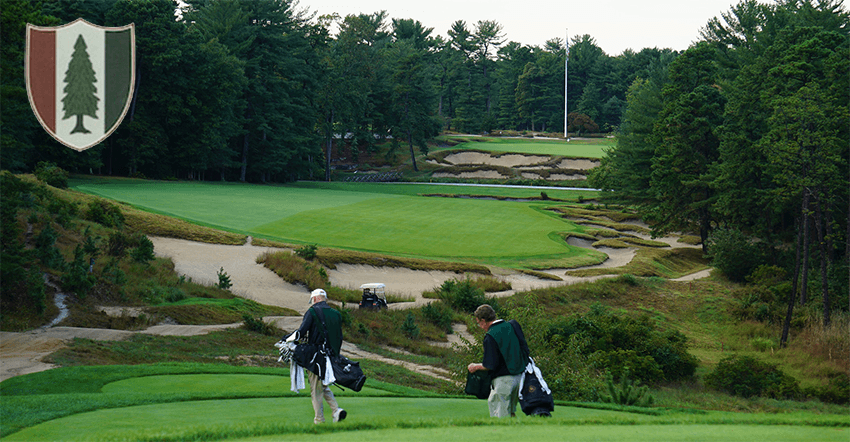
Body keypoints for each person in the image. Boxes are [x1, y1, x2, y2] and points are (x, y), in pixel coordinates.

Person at [283, 289, 347, 424]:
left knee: (315, 389)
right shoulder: (336, 314)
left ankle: (319, 419)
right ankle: (336, 411)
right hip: (331, 356)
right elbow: (339, 337)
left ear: (315, 299)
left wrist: (287, 339)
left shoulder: (312, 311)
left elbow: (301, 332)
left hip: (315, 356)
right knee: (321, 385)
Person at [467, 304, 526, 418]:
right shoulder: (511, 326)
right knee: (511, 412)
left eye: (479, 323)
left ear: (483, 321)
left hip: (503, 380)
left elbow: (490, 364)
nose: (480, 326)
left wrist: (476, 366)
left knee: (500, 415)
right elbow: (524, 349)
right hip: (519, 377)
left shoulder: (490, 336)